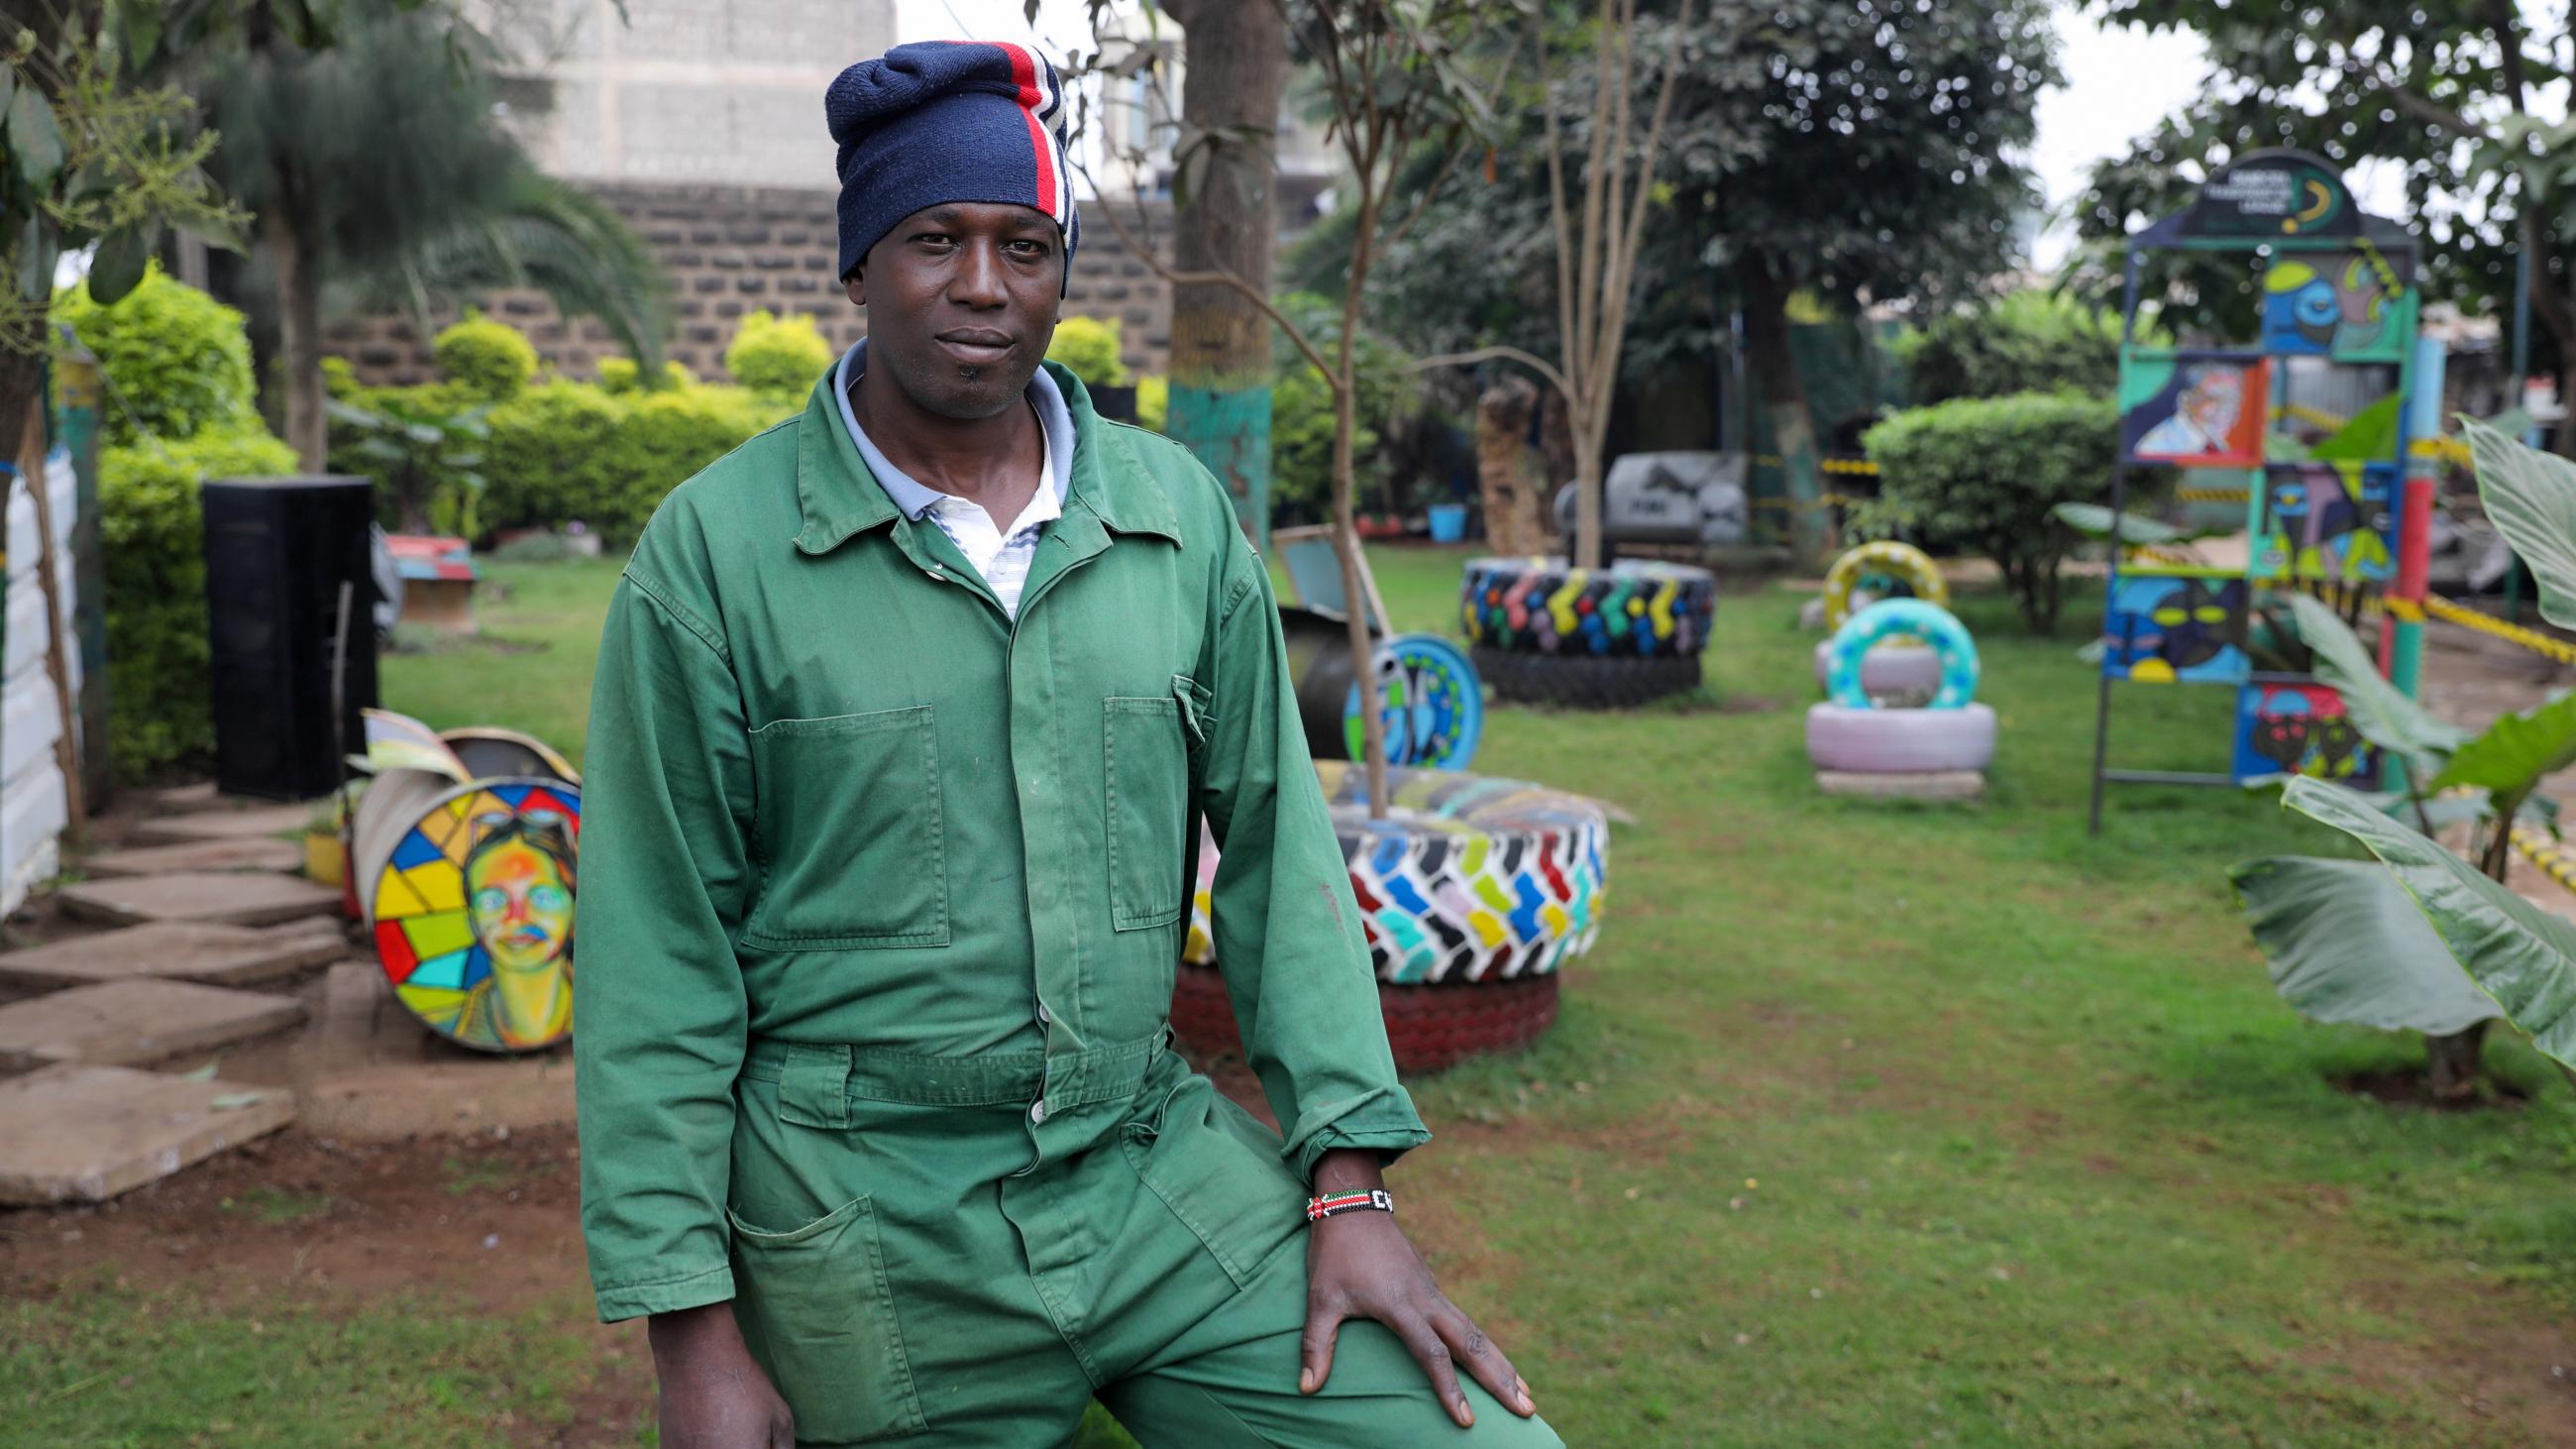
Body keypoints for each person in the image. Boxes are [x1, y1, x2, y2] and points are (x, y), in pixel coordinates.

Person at [574, 41, 1561, 1449]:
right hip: (867, 1221)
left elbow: (1280, 845)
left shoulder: (1169, 515)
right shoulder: (717, 558)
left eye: (1026, 244)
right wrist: (694, 1336)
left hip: (1146, 1166)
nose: (985, 284)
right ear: (860, 260)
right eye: (936, 238)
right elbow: (653, 955)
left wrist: (1350, 1189)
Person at [457, 811, 575, 1050]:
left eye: (541, 898)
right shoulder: (454, 1022)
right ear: (472, 919)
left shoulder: (611, 1012)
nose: (516, 918)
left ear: (574, 909)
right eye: (493, 901)